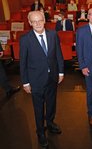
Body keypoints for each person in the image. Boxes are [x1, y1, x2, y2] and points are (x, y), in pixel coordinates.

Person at [20, 11, 64, 147]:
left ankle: (50, 123)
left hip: (52, 78)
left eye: (40, 20)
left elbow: (58, 54)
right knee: (38, 108)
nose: (37, 23)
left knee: (51, 104)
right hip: (36, 81)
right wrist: (25, 82)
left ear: (44, 20)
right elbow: (23, 62)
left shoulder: (53, 35)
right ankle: (40, 132)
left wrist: (61, 72)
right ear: (30, 23)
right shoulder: (25, 39)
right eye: (34, 21)